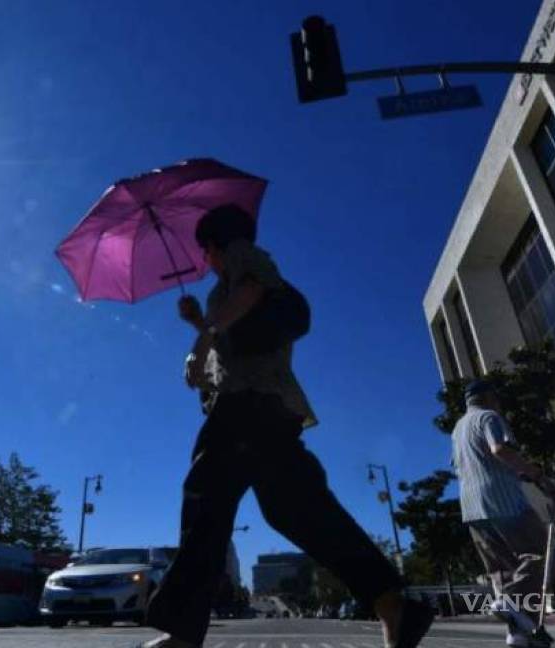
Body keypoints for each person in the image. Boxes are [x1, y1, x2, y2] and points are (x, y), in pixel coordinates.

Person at [140, 204, 432, 648]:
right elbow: (236, 342)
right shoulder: (227, 286)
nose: (205, 259)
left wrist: (201, 339)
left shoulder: (243, 256)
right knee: (298, 509)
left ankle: (182, 631)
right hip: (265, 409)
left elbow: (252, 294)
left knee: (206, 504)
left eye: (205, 249)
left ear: (216, 244)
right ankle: (392, 602)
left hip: (245, 409)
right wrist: (198, 324)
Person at [451, 380, 554, 648]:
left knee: (504, 569)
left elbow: (460, 466)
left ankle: (519, 634)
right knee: (540, 553)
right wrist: (538, 476)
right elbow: (499, 449)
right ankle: (509, 599)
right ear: (488, 397)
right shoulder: (489, 417)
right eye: (497, 397)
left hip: (472, 508)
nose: (499, 402)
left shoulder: (458, 430)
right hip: (503, 502)